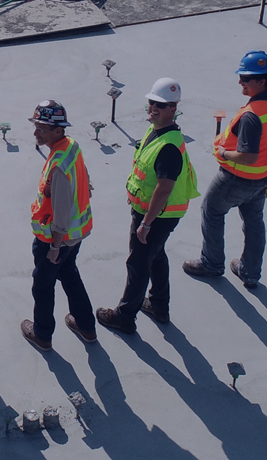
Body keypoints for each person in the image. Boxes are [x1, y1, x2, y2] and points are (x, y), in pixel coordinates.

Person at [184, 50, 267, 289]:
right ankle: (250, 272)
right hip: (265, 176)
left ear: (262, 80)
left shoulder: (251, 116)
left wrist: (223, 153)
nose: (240, 82)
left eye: (245, 78)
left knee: (212, 211)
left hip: (238, 178)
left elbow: (247, 156)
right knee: (254, 221)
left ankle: (211, 263)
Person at [99, 78, 200, 333]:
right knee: (155, 256)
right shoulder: (156, 131)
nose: (153, 108)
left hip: (156, 216)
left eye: (161, 105)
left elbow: (164, 188)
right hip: (153, 213)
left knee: (138, 263)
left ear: (173, 109)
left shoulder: (168, 146)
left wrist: (146, 222)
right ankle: (159, 305)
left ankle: (124, 317)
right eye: (152, 103)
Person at [23, 100, 97, 351]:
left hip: (55, 240)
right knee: (69, 275)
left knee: (42, 285)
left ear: (58, 130)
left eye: (41, 128)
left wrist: (55, 246)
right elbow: (84, 178)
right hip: (75, 235)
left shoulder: (58, 166)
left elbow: (62, 211)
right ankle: (86, 326)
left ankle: (42, 334)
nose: (36, 132)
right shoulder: (71, 147)